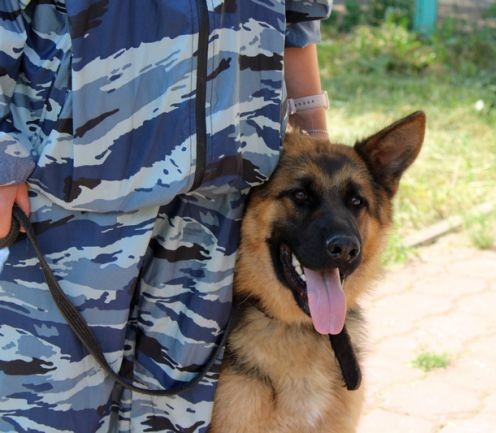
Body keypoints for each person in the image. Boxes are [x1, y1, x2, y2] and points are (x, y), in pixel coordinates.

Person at [0, 1, 331, 432]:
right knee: (50, 412)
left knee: (171, 418)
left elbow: (298, 15)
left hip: (219, 190)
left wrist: (315, 136)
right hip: (73, 182)